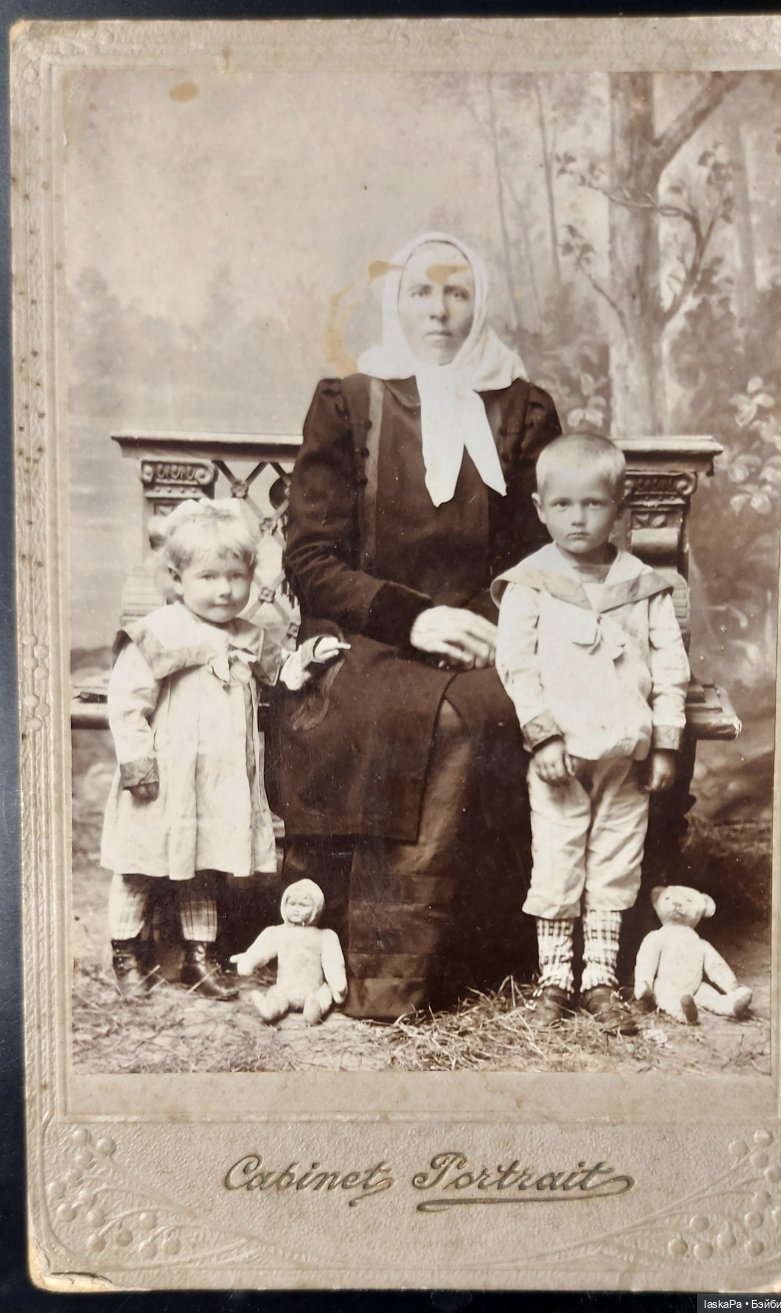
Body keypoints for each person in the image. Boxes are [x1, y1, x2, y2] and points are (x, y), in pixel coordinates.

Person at [264, 232, 561, 1019]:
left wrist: (501, 623)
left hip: (490, 630)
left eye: (456, 292)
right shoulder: (348, 402)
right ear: (396, 301)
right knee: (414, 714)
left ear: (479, 303)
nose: (439, 310)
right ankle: (380, 972)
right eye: (422, 292)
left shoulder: (524, 410)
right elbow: (312, 557)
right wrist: (414, 618)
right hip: (368, 633)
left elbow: (542, 555)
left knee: (474, 712)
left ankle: (452, 965)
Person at [100, 498, 345, 1002]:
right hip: (164, 779)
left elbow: (281, 672)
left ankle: (200, 956)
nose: (225, 590)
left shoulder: (249, 636)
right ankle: (126, 951)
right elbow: (126, 702)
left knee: (202, 866)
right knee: (139, 865)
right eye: (209, 577)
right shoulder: (159, 633)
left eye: (236, 576)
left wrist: (309, 656)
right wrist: (138, 761)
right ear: (177, 580)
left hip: (216, 781)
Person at [493, 434, 691, 1032]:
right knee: (557, 861)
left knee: (614, 862)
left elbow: (670, 668)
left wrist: (665, 742)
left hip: (626, 757)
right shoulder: (532, 583)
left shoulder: (643, 585)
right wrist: (544, 736)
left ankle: (599, 979)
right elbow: (516, 665)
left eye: (593, 504)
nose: (577, 518)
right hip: (561, 758)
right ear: (539, 508)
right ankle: (554, 979)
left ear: (619, 506)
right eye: (562, 505)